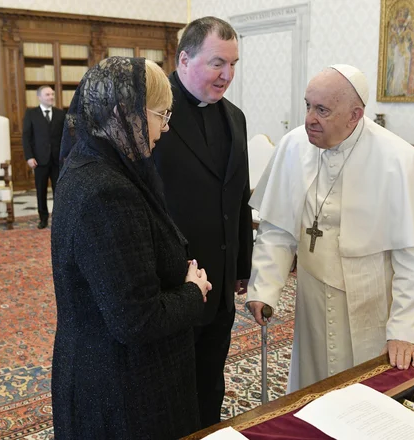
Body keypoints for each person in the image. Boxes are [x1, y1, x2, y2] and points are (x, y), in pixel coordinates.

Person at [246, 65, 414, 393]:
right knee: (313, 387)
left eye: (323, 110)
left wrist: (406, 329)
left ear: (355, 115)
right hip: (313, 294)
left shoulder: (399, 160)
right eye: (308, 105)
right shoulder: (293, 146)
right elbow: (277, 229)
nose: (310, 118)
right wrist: (264, 288)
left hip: (372, 298)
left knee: (368, 395)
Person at [50, 57, 212, 439]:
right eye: (161, 114)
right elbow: (136, 320)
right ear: (127, 114)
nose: (165, 127)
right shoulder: (108, 192)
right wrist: (193, 291)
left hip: (105, 372)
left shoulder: (91, 165)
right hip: (122, 391)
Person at [152, 17, 253, 428]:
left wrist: (241, 267)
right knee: (169, 393)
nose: (227, 75)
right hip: (173, 284)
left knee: (210, 382)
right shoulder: (154, 115)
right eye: (217, 63)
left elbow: (238, 196)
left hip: (222, 284)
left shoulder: (236, 117)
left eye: (233, 64)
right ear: (184, 59)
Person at [22, 85, 64, 229]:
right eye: (47, 95)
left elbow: (65, 137)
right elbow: (26, 137)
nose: (51, 97)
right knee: (41, 191)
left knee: (59, 191)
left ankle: (59, 219)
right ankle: (43, 218)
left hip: (57, 160)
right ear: (39, 97)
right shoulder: (31, 114)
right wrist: (29, 157)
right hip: (39, 160)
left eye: (52, 94)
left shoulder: (60, 114)